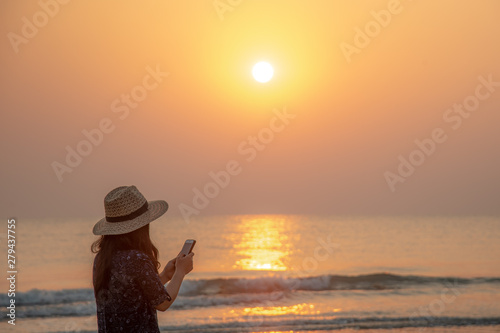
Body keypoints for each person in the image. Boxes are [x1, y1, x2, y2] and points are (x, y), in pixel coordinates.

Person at [91, 185, 194, 332]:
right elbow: (163, 303)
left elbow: (132, 294)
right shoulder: (136, 258)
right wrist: (180, 272)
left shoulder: (102, 258)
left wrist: (165, 275)